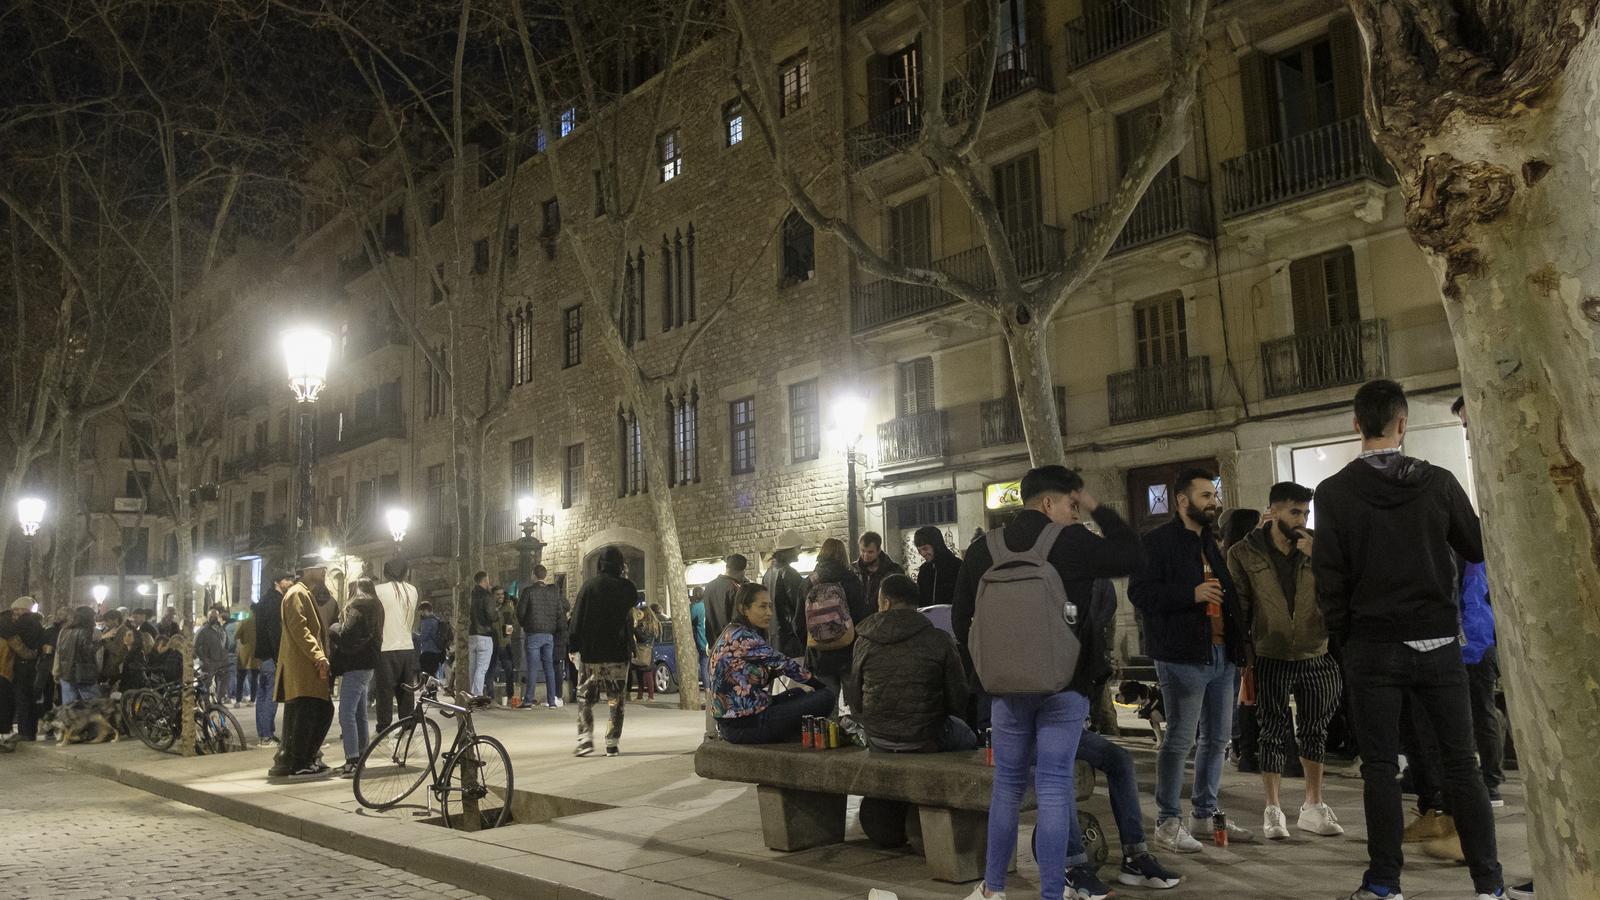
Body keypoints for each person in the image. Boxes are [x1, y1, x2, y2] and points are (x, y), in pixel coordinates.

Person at [1313, 379, 1502, 900]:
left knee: (1379, 768)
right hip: (1438, 643)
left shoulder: (1333, 493)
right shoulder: (1438, 482)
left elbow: (1329, 576)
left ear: (1356, 425)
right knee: (1463, 764)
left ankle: (1384, 883)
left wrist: (1345, 640)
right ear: (1403, 423)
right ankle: (1488, 884)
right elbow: (1475, 544)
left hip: (1372, 645)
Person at [952, 465, 1144, 900]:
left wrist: (984, 674)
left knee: (1007, 786)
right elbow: (1133, 555)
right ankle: (1053, 894)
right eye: (1071, 506)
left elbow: (962, 617)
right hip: (1065, 684)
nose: (1075, 514)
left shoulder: (984, 548)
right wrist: (1097, 505)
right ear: (1049, 503)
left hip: (1004, 689)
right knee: (1055, 785)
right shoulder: (1072, 542)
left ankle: (993, 889)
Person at [1129, 467, 1256, 853]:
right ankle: (1168, 821)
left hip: (1221, 655)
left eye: (1214, 496)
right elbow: (1141, 594)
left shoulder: (1212, 542)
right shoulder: (1156, 542)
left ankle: (1205, 812)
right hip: (1182, 656)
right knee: (1179, 740)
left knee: (1217, 739)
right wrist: (1192, 593)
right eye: (1205, 496)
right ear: (1182, 500)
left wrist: (1241, 649)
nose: (1213, 503)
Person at [1227, 482, 1344, 841]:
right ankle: (1273, 808)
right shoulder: (1243, 552)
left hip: (1316, 650)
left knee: (1314, 730)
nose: (1302, 519)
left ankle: (1313, 805)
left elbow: (1341, 590)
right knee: (1272, 732)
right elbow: (1240, 606)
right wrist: (1243, 654)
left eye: (1306, 512)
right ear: (1273, 511)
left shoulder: (1318, 546)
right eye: (1295, 511)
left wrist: (1319, 557)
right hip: (1269, 653)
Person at [1066, 580, 1182, 893]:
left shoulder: (1081, 609)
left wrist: (1101, 666)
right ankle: (1073, 866)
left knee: (1119, 759)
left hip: (1069, 720)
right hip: (1037, 724)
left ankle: (1135, 856)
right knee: (1059, 766)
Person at [847, 573, 973, 752]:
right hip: (927, 738)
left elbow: (856, 700)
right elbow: (958, 699)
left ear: (886, 603)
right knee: (968, 736)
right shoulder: (940, 640)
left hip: (877, 737)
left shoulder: (864, 642)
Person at [710, 582, 834, 744]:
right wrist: (819, 686)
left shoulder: (731, 631)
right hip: (746, 725)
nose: (769, 613)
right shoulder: (743, 637)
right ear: (743, 609)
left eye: (770, 606)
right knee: (826, 697)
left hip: (737, 721)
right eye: (762, 607)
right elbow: (786, 664)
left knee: (798, 694)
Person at [569, 547, 637, 757]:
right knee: (616, 701)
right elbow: (631, 600)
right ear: (621, 565)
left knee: (585, 699)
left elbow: (576, 619)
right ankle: (612, 743)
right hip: (617, 653)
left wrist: (573, 647)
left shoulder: (589, 587)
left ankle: (585, 739)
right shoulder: (627, 588)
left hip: (591, 654)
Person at [270, 568, 334, 780]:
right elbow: (300, 628)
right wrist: (318, 655)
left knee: (316, 711)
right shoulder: (297, 593)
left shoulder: (302, 592)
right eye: (320, 568)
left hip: (305, 667)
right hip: (303, 667)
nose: (324, 571)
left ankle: (304, 759)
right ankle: (300, 762)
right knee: (310, 713)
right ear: (307, 571)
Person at [329, 577, 384, 777]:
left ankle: (351, 760)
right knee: (360, 713)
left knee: (346, 713)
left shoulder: (357, 607)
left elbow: (345, 634)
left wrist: (333, 628)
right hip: (369, 664)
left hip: (354, 664)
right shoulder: (377, 607)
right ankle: (361, 757)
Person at [804, 537, 871, 692]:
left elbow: (799, 621)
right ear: (843, 554)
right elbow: (861, 614)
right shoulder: (850, 579)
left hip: (819, 653)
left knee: (826, 705)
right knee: (856, 703)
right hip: (848, 649)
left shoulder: (809, 581)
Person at [372, 559, 421, 731]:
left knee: (384, 691)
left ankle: (384, 726)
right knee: (406, 690)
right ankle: (407, 723)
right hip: (407, 646)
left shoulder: (378, 590)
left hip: (386, 646)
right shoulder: (412, 590)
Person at [518, 565, 569, 709]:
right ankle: (552, 700)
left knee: (533, 667)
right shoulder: (553, 593)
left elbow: (520, 612)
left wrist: (525, 624)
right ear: (545, 576)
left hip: (533, 633)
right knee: (549, 668)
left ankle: (528, 699)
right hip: (549, 635)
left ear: (533, 575)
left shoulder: (528, 591)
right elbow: (559, 613)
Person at [254, 574, 292, 748]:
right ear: (277, 582)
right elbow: (274, 631)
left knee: (262, 696)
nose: (290, 583)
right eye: (286, 579)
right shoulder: (277, 601)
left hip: (263, 655)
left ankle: (263, 735)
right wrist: (279, 656)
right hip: (272, 655)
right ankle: (267, 736)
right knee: (271, 695)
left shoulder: (263, 600)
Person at [0, 599, 45, 740]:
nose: (16, 616)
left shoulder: (10, 624)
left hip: (12, 668)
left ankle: (21, 732)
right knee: (21, 700)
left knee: (18, 700)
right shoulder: (29, 624)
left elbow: (16, 644)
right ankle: (25, 732)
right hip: (15, 668)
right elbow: (21, 647)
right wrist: (32, 654)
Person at [761, 533, 809, 658]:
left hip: (774, 641)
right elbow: (800, 607)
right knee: (793, 676)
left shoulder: (767, 574)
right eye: (798, 548)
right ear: (789, 550)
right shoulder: (789, 574)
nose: (800, 551)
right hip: (792, 642)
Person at [54, 606, 102, 704]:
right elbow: (88, 652)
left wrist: (56, 670)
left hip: (66, 673)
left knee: (69, 708)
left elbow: (59, 652)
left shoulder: (64, 630)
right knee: (92, 707)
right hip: (84, 674)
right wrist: (100, 642)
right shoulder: (86, 631)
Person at [913, 526, 962, 609]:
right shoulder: (924, 570)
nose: (923, 554)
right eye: (919, 550)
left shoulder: (957, 566)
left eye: (925, 549)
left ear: (936, 545)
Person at [852, 532, 905, 608]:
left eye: (870, 552)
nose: (865, 556)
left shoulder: (894, 571)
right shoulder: (853, 570)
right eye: (863, 551)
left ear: (878, 550)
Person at [701, 555, 748, 640]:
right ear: (743, 571)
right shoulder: (735, 589)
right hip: (730, 643)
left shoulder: (709, 586)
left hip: (713, 642)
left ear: (727, 567)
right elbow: (738, 619)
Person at [466, 571, 498, 697]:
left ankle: (470, 694)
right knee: (481, 668)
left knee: (472, 667)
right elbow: (491, 615)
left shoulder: (471, 595)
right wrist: (496, 614)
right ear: (484, 580)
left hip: (472, 634)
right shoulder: (487, 596)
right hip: (484, 634)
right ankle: (477, 694)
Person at [194, 606, 230, 703]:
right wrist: (204, 659)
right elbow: (195, 646)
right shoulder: (203, 630)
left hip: (222, 661)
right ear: (208, 617)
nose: (213, 618)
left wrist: (226, 655)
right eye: (211, 616)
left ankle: (219, 701)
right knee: (206, 684)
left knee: (223, 682)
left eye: (215, 616)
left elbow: (226, 644)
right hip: (209, 662)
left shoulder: (221, 629)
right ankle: (205, 703)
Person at [628, 601, 661, 701]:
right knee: (641, 673)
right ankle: (640, 695)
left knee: (646, 673)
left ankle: (650, 696)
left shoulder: (646, 625)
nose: (638, 615)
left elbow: (642, 637)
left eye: (640, 613)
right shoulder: (651, 624)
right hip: (646, 649)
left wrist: (634, 629)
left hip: (644, 650)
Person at [493, 586, 520, 706]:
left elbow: (512, 624)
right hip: (492, 643)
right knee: (491, 670)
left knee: (509, 670)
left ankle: (510, 695)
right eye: (497, 594)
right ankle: (490, 696)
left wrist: (507, 636)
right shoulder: (491, 609)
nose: (500, 597)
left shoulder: (508, 609)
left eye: (502, 594)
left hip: (504, 644)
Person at [415, 601, 451, 679]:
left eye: (421, 612)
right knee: (432, 674)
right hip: (437, 653)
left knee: (425, 675)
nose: (421, 614)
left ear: (425, 611)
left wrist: (413, 635)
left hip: (428, 652)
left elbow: (423, 637)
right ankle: (433, 690)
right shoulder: (437, 620)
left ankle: (430, 690)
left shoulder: (427, 621)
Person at [234, 607, 257, 706]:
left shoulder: (244, 622)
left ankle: (238, 700)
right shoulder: (260, 623)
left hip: (244, 654)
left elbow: (236, 635)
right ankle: (252, 699)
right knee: (254, 678)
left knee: (240, 678)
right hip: (256, 653)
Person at [689, 586, 709, 700]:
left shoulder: (697, 607)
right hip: (714, 641)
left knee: (704, 667)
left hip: (703, 641)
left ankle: (707, 694)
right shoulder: (709, 605)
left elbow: (690, 620)